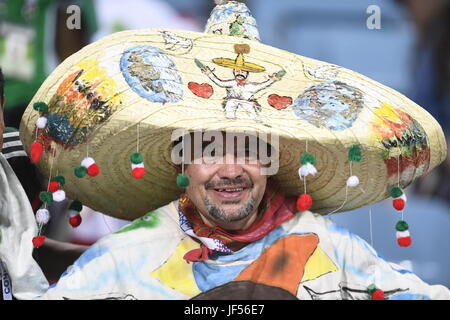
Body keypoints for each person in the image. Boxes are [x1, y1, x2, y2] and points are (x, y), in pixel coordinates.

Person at [1, 0, 449, 300]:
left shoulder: (332, 249)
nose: (229, 170)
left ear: (273, 161)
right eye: (209, 148)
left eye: (250, 150)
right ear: (181, 160)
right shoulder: (122, 259)